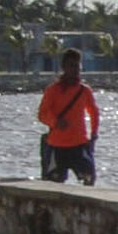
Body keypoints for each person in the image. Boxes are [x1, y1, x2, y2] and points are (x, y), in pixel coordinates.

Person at [35, 49, 98, 183]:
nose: (75, 70)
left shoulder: (84, 90)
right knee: (53, 182)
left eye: (77, 66)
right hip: (57, 145)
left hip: (79, 145)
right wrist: (56, 122)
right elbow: (42, 114)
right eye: (71, 65)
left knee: (89, 178)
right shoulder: (53, 90)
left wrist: (93, 134)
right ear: (63, 67)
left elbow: (94, 112)